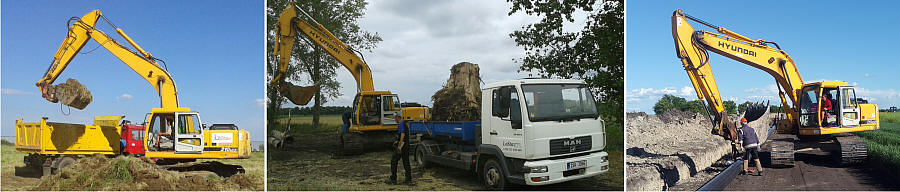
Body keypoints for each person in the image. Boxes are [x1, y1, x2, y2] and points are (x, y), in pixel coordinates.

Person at [387, 115, 412, 185]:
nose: (395, 121)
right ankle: (408, 179)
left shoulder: (401, 123)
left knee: (393, 160)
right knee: (406, 162)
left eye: (395, 119)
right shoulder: (404, 124)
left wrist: (399, 146)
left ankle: (393, 178)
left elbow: (402, 134)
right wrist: (397, 141)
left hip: (403, 146)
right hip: (407, 145)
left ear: (398, 118)